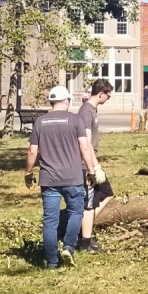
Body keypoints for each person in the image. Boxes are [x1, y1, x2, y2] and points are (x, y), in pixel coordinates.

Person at [25, 85, 98, 269]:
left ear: (51, 102)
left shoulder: (40, 122)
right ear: (67, 101)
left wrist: (28, 172)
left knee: (50, 220)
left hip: (49, 179)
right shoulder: (75, 120)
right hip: (73, 178)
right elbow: (85, 147)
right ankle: (68, 247)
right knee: (76, 213)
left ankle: (51, 261)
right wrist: (91, 171)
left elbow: (32, 151)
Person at [77, 78, 113, 254]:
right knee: (89, 204)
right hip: (86, 165)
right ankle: (85, 241)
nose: (108, 98)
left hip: (91, 162)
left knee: (107, 193)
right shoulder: (86, 112)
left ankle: (82, 226)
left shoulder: (91, 110)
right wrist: (95, 167)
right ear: (100, 94)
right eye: (108, 95)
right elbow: (86, 142)